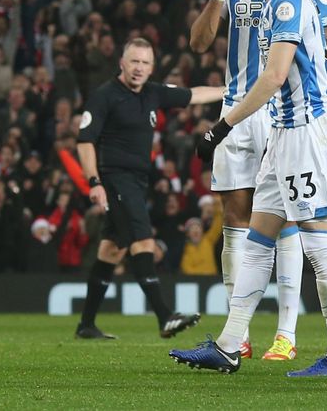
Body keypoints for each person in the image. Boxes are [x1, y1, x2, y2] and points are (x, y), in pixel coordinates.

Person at [171, 0, 327, 377]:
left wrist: (221, 127)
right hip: (284, 133)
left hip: (305, 132)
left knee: (319, 243)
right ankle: (229, 345)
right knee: (257, 239)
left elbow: (273, 76)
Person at [75, 37, 223, 339]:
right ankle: (165, 316)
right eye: (134, 61)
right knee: (143, 241)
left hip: (137, 182)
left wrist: (232, 91)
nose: (139, 68)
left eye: (145, 62)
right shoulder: (104, 96)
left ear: (152, 67)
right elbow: (85, 141)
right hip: (116, 179)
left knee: (111, 250)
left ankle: (86, 325)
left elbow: (194, 95)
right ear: (122, 62)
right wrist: (94, 182)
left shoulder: (153, 93)